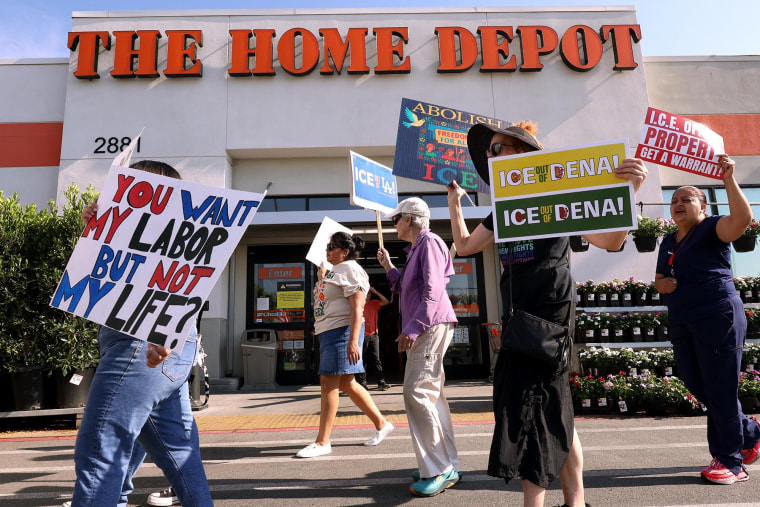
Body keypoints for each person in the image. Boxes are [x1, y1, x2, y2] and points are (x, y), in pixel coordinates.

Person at [447, 121, 648, 507]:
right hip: (518, 316)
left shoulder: (559, 193)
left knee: (530, 410)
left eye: (497, 148)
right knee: (556, 408)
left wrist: (629, 189)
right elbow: (466, 245)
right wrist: (455, 203)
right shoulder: (503, 207)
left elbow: (610, 239)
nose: (491, 156)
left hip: (550, 314)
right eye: (490, 151)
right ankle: (576, 502)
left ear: (523, 154)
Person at [70, 160, 213, 507]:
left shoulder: (158, 230)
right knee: (180, 459)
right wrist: (95, 227)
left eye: (135, 185)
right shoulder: (166, 232)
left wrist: (164, 333)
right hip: (161, 348)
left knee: (100, 455)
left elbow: (174, 279)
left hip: (140, 345)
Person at [654, 163, 760, 485]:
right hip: (684, 320)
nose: (678, 203)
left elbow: (741, 221)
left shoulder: (713, 228)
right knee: (697, 384)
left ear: (703, 206)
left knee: (720, 388)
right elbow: (658, 279)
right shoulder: (668, 241)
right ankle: (750, 432)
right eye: (674, 199)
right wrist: (662, 285)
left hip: (718, 315)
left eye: (687, 199)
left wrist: (728, 178)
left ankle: (730, 462)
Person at [377, 197, 461, 497]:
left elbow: (433, 291)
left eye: (395, 219)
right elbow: (406, 288)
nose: (393, 224)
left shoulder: (429, 243)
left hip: (430, 325)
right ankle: (446, 463)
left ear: (409, 219)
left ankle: (438, 468)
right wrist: (388, 267)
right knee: (431, 394)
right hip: (432, 324)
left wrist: (412, 328)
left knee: (417, 392)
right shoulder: (419, 248)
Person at [296, 232, 394, 458]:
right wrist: (322, 279)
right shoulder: (334, 271)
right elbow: (326, 300)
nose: (327, 250)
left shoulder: (351, 268)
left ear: (346, 251)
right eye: (327, 246)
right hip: (329, 333)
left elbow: (358, 307)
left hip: (342, 332)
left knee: (327, 383)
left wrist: (352, 341)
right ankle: (382, 424)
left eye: (332, 246)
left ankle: (322, 442)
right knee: (347, 383)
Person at [355, 286, 391, 391]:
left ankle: (381, 382)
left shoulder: (374, 303)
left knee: (376, 359)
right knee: (362, 360)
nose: (368, 295)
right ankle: (362, 383)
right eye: (367, 293)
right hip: (361, 335)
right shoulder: (357, 304)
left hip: (374, 335)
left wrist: (376, 291)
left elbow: (386, 301)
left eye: (370, 293)